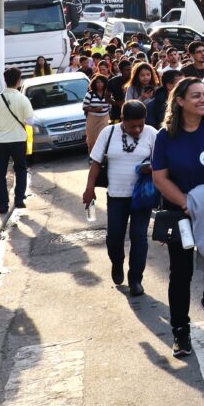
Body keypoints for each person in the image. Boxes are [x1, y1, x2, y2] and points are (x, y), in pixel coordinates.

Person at [151, 78, 204, 358]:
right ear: (180, 102)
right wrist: (186, 202)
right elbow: (159, 177)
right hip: (180, 212)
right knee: (180, 272)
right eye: (196, 96)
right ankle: (180, 330)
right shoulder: (165, 136)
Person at [83, 101, 158, 296]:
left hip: (142, 196)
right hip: (116, 195)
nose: (138, 129)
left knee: (139, 237)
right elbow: (97, 163)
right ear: (122, 120)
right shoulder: (108, 133)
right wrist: (89, 188)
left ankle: (135, 279)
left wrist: (151, 167)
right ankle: (117, 263)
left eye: (141, 124)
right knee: (114, 238)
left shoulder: (152, 134)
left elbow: (162, 162)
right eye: (133, 125)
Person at [0, 67, 35, 215]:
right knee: (20, 169)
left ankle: (2, 205)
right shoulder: (23, 99)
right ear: (19, 81)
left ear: (5, 80)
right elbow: (30, 122)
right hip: (18, 139)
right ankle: (19, 199)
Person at [83, 75, 112, 150]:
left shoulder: (108, 94)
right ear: (94, 84)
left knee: (104, 137)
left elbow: (110, 107)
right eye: (98, 82)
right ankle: (92, 157)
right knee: (92, 140)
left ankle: (103, 156)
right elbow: (84, 107)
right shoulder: (90, 94)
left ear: (105, 84)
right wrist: (95, 110)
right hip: (92, 119)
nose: (100, 84)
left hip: (105, 117)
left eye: (102, 82)